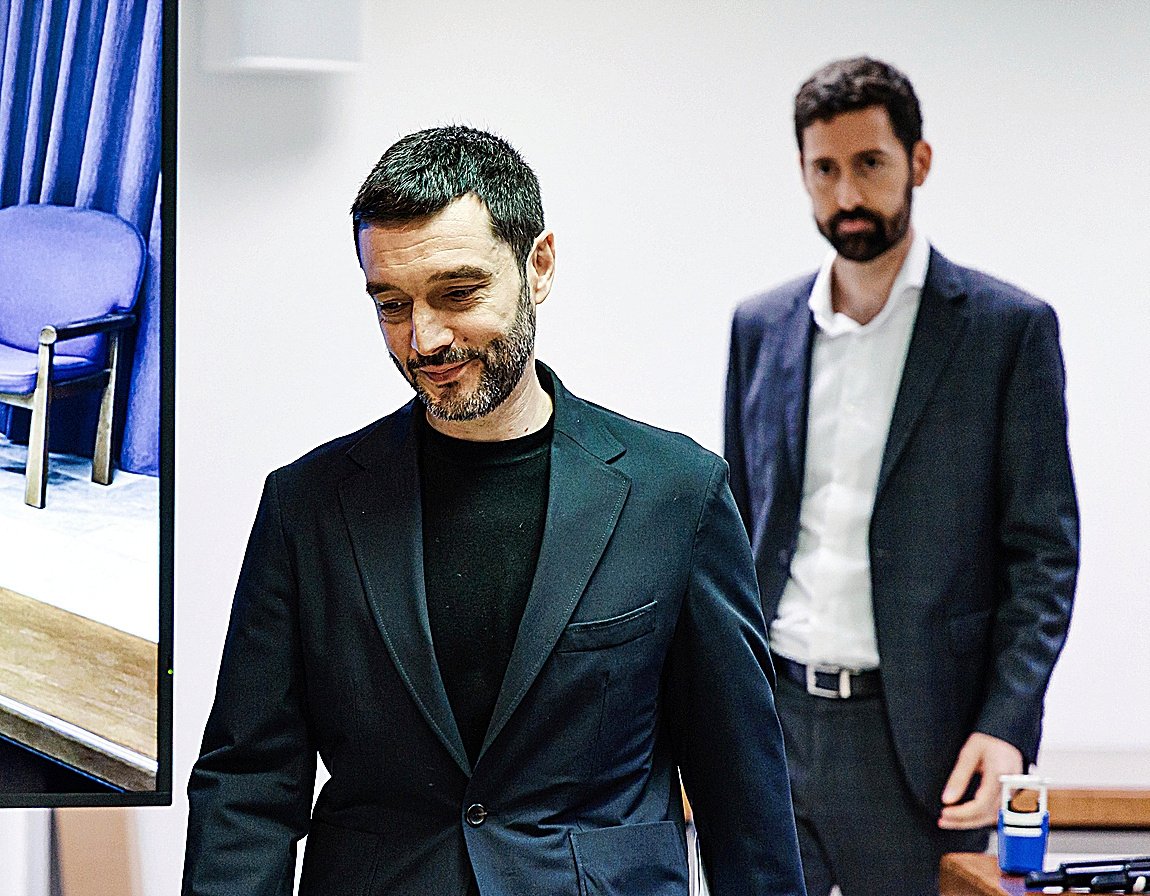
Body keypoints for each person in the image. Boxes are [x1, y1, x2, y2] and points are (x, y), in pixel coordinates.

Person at [183, 125, 804, 896]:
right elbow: (246, 787)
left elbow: (742, 793)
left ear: (538, 266)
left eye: (458, 293)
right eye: (392, 304)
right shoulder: (307, 505)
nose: (424, 338)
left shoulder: (677, 493)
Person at [724, 57, 1078, 896]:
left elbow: (1043, 554)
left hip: (921, 742)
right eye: (825, 169)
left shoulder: (1007, 331)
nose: (847, 193)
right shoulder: (760, 327)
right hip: (773, 722)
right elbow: (732, 528)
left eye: (869, 164)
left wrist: (1007, 723)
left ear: (918, 162)